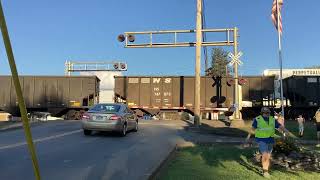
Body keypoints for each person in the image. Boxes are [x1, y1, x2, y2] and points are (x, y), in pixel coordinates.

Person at [246, 107, 289, 178]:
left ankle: (266, 169)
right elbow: (252, 129)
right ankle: (265, 172)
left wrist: (286, 131)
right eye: (265, 113)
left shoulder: (272, 119)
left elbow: (279, 126)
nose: (267, 114)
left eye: (268, 113)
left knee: (268, 156)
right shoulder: (258, 119)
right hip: (261, 140)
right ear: (262, 113)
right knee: (265, 155)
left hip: (270, 140)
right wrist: (248, 138)